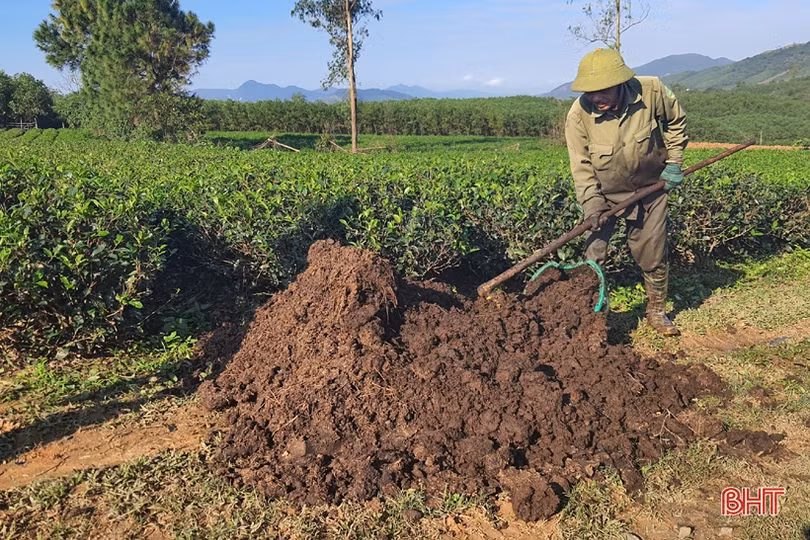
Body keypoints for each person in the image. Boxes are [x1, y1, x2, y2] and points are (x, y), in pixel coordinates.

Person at [564, 48, 688, 336]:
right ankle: (595, 316)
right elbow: (581, 167)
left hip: (650, 188)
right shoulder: (578, 115)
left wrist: (675, 162)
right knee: (593, 255)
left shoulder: (652, 91)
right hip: (604, 195)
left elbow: (676, 122)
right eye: (590, 92)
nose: (596, 98)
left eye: (603, 90)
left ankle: (657, 312)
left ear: (620, 82)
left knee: (652, 253)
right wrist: (593, 205)